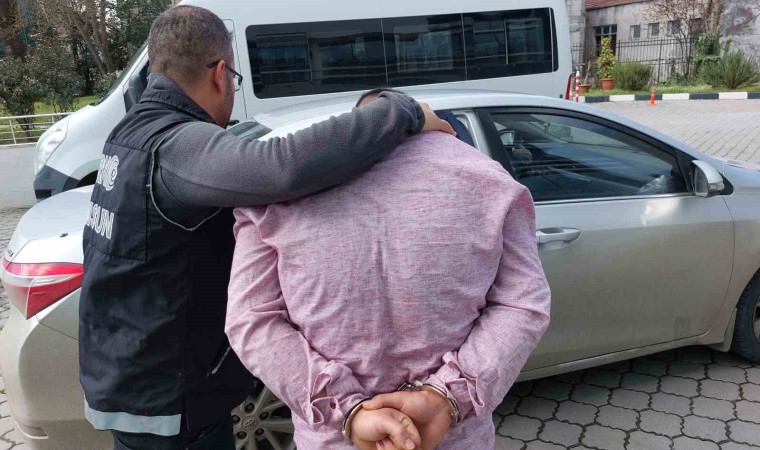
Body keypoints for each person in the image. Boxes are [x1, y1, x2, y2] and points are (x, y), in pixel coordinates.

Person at [78, 6, 455, 450]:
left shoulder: (130, 134)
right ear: (221, 75)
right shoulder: (174, 146)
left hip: (130, 373)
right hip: (169, 399)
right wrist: (403, 110)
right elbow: (282, 167)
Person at [225, 88, 552, 449]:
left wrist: (348, 410)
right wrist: (446, 398)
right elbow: (523, 305)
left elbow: (250, 320)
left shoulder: (279, 189)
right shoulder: (491, 182)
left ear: (357, 121)